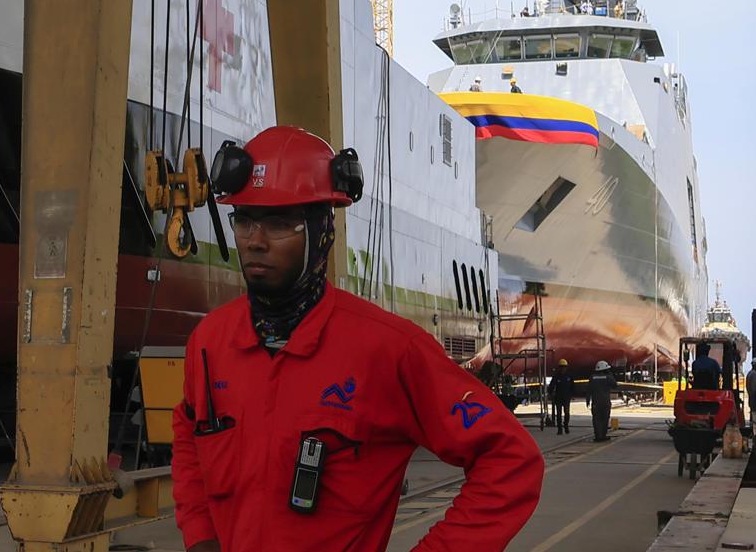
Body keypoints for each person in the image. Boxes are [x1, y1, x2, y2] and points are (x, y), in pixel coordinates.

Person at [171, 126, 542, 552]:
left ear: (322, 231)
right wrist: (200, 534)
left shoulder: (386, 350)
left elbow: (511, 460)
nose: (255, 241)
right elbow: (189, 431)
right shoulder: (210, 343)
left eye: (279, 223)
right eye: (246, 221)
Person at [588, 360, 614, 441]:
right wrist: (610, 373)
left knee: (596, 419)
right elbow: (615, 385)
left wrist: (587, 400)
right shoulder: (608, 377)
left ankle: (597, 436)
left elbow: (588, 390)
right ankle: (603, 435)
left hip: (596, 402)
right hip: (605, 402)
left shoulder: (592, 377)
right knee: (605, 419)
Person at [548, 359, 574, 435]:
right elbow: (551, 386)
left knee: (567, 413)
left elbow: (573, 386)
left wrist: (571, 395)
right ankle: (560, 429)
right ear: (559, 368)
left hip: (566, 398)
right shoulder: (556, 376)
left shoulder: (569, 376)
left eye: (564, 367)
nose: (563, 368)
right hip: (558, 398)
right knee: (558, 414)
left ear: (566, 368)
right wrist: (551, 394)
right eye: (561, 367)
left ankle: (566, 425)